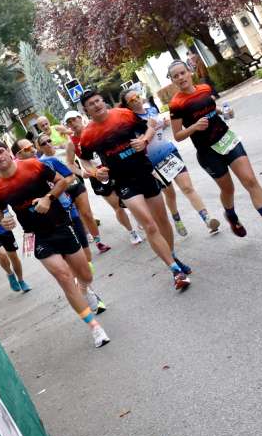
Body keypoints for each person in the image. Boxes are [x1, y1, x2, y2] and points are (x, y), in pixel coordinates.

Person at [0, 140, 110, 347]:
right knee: (63, 276)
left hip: (61, 225)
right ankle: (95, 327)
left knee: (85, 275)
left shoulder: (33, 165)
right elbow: (1, 211)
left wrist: (48, 198)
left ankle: (85, 289)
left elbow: (62, 181)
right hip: (35, 237)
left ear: (9, 153)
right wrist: (4, 220)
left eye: (1, 152)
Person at [75, 90, 193, 291]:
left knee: (162, 221)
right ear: (86, 110)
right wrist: (95, 172)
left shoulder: (123, 114)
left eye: (98, 101)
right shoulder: (88, 134)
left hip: (145, 173)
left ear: (103, 101)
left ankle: (171, 254)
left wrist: (144, 140)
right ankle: (174, 270)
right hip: (123, 182)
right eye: (91, 104)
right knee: (149, 225)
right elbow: (84, 159)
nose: (96, 105)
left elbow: (149, 126)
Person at [168, 61, 262, 242]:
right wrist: (193, 127)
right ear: (172, 80)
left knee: (250, 180)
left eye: (182, 73)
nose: (180, 78)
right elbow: (177, 135)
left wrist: (224, 111)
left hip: (226, 139)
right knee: (228, 189)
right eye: (175, 76)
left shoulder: (204, 88)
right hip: (207, 152)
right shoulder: (176, 104)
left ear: (189, 73)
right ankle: (231, 215)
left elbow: (210, 108)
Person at [121, 87, 222, 236]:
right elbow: (137, 143)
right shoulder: (131, 122)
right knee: (170, 194)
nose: (136, 100)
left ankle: (207, 218)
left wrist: (165, 123)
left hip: (169, 152)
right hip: (154, 162)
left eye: (137, 96)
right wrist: (146, 135)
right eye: (132, 100)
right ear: (127, 106)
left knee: (187, 187)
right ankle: (177, 219)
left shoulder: (151, 110)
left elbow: (160, 126)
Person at [64, 108, 143, 246]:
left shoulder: (95, 128)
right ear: (68, 126)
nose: (73, 123)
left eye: (75, 119)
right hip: (97, 176)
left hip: (114, 168)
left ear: (80, 117)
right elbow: (70, 163)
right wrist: (81, 172)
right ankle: (132, 232)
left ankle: (140, 219)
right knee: (117, 206)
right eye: (69, 122)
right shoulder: (71, 143)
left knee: (129, 198)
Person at [34, 131, 110, 253]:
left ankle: (98, 241)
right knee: (77, 218)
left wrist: (80, 173)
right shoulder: (41, 162)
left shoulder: (62, 151)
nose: (48, 144)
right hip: (63, 192)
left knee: (87, 214)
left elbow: (73, 165)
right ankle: (84, 241)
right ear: (39, 147)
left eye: (49, 141)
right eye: (44, 143)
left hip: (76, 185)